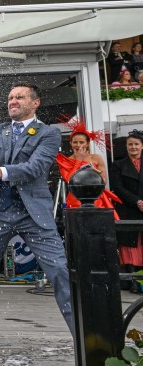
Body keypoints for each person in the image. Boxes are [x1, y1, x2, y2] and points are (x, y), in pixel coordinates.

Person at [0, 81, 72, 343]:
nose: (12, 101)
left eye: (19, 97)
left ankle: (82, 336)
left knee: (60, 272)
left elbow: (36, 167)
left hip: (33, 215)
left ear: (35, 103)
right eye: (10, 98)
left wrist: (0, 172)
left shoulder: (48, 133)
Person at [55, 117, 120, 219]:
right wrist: (79, 161)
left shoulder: (96, 158)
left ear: (87, 143)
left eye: (81, 142)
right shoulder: (65, 161)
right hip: (75, 199)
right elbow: (69, 180)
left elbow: (104, 181)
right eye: (75, 142)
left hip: (96, 198)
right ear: (70, 143)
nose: (78, 145)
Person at [110, 130, 143, 292]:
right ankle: (133, 282)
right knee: (130, 248)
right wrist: (137, 201)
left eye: (136, 144)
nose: (133, 147)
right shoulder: (118, 165)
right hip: (128, 210)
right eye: (130, 144)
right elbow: (118, 188)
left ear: (142, 146)